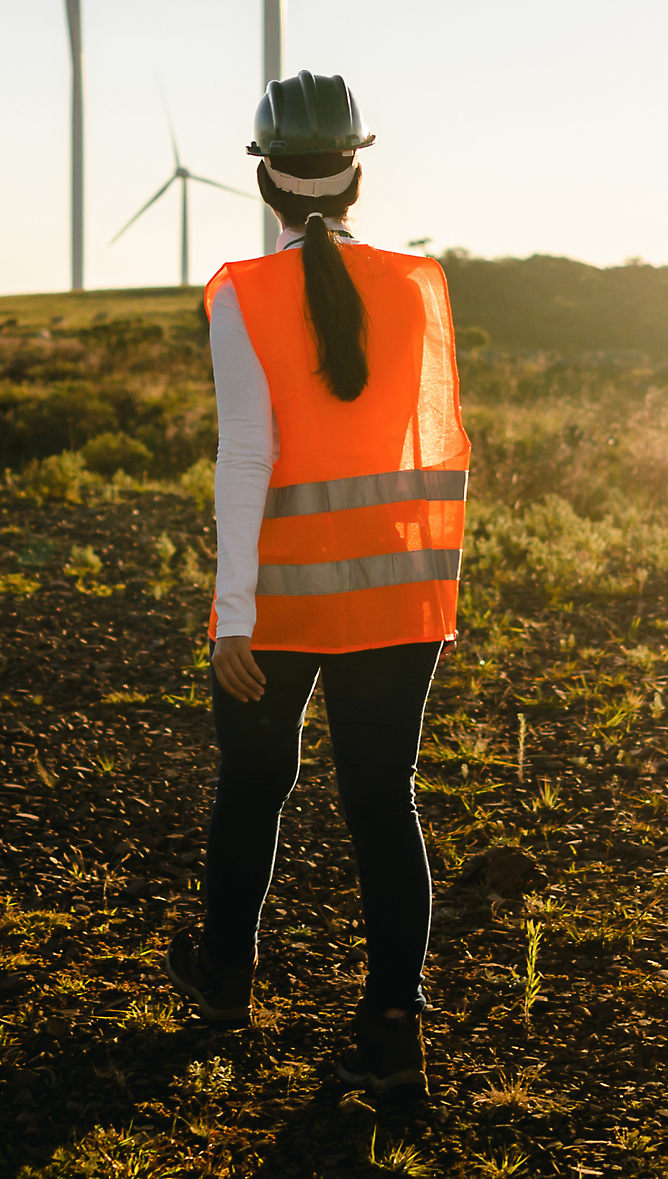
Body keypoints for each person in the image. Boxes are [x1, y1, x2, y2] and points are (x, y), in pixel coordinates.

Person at [162, 71, 470, 1099]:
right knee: (385, 803)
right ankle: (392, 1029)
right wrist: (425, 585)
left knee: (252, 788)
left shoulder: (239, 293)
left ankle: (224, 982)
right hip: (395, 592)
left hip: (281, 600)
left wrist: (234, 617)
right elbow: (421, 437)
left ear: (266, 182)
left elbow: (244, 457)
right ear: (354, 176)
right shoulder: (421, 285)